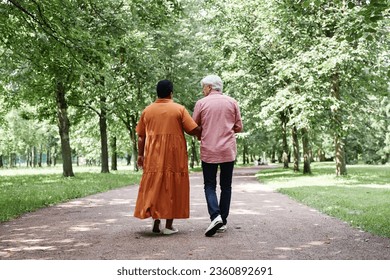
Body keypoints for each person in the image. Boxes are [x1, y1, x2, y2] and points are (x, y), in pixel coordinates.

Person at [134, 80, 201, 235]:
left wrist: (140, 155)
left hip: (153, 155)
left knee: (155, 185)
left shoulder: (148, 110)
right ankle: (169, 226)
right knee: (172, 185)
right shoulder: (179, 109)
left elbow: (141, 136)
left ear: (157, 93)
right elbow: (192, 130)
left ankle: (156, 222)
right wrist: (205, 129)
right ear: (171, 93)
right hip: (174, 155)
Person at [193, 75, 243, 237]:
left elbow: (195, 127)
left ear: (209, 87)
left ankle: (215, 216)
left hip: (209, 150)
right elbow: (238, 127)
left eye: (203, 87)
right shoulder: (232, 102)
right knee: (226, 186)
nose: (203, 90)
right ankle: (223, 221)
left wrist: (203, 133)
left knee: (209, 185)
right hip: (228, 150)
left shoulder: (201, 103)